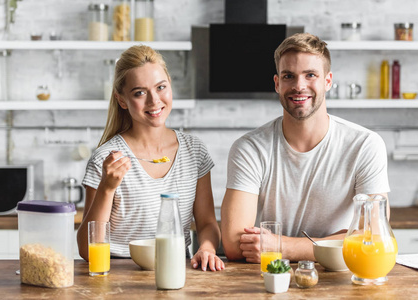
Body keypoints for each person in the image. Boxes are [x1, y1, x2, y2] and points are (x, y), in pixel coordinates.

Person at [221, 33, 390, 263]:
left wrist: (282, 247)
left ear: (327, 81)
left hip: (339, 282)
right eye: (289, 76)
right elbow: (233, 243)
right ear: (277, 84)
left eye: (310, 75)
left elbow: (375, 237)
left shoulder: (365, 145)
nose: (299, 86)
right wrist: (339, 241)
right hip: (267, 282)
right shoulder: (249, 149)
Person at [77, 45, 224, 272]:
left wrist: (206, 248)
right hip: (118, 273)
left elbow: (206, 223)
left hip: (175, 269)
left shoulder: (194, 152)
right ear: (122, 100)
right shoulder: (106, 160)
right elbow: (87, 251)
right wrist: (107, 187)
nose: (154, 100)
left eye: (160, 87)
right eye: (139, 92)